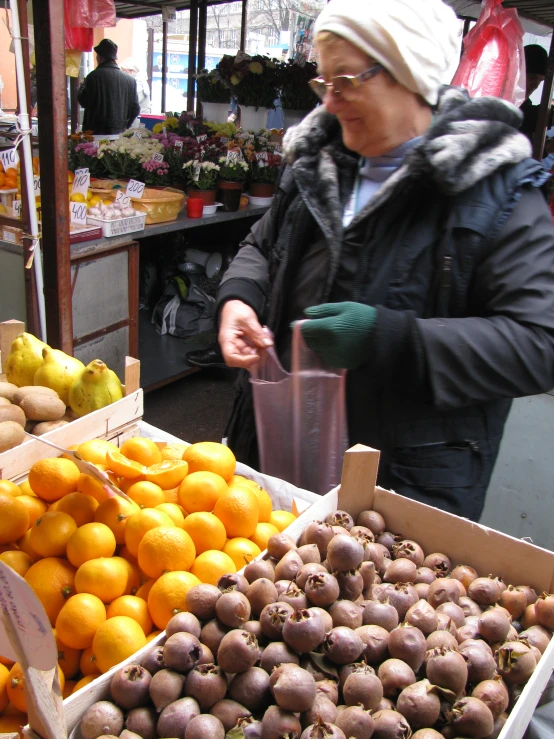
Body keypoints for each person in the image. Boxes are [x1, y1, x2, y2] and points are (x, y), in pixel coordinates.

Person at [216, 0, 554, 522]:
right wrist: (240, 298)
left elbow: (538, 344)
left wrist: (390, 339)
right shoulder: (318, 163)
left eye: (347, 80)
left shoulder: (495, 188)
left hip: (400, 486)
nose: (330, 101)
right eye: (323, 81)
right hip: (277, 451)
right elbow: (262, 246)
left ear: (409, 73)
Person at [77, 39, 140, 135]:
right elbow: (135, 109)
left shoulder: (93, 76)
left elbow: (85, 102)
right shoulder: (130, 81)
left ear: (100, 57)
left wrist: (81, 87)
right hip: (119, 136)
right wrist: (125, 126)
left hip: (95, 135)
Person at [520, 44, 548, 144]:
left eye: (540, 80)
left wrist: (547, 145)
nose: (535, 85)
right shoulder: (500, 96)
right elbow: (523, 119)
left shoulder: (525, 103)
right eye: (532, 77)